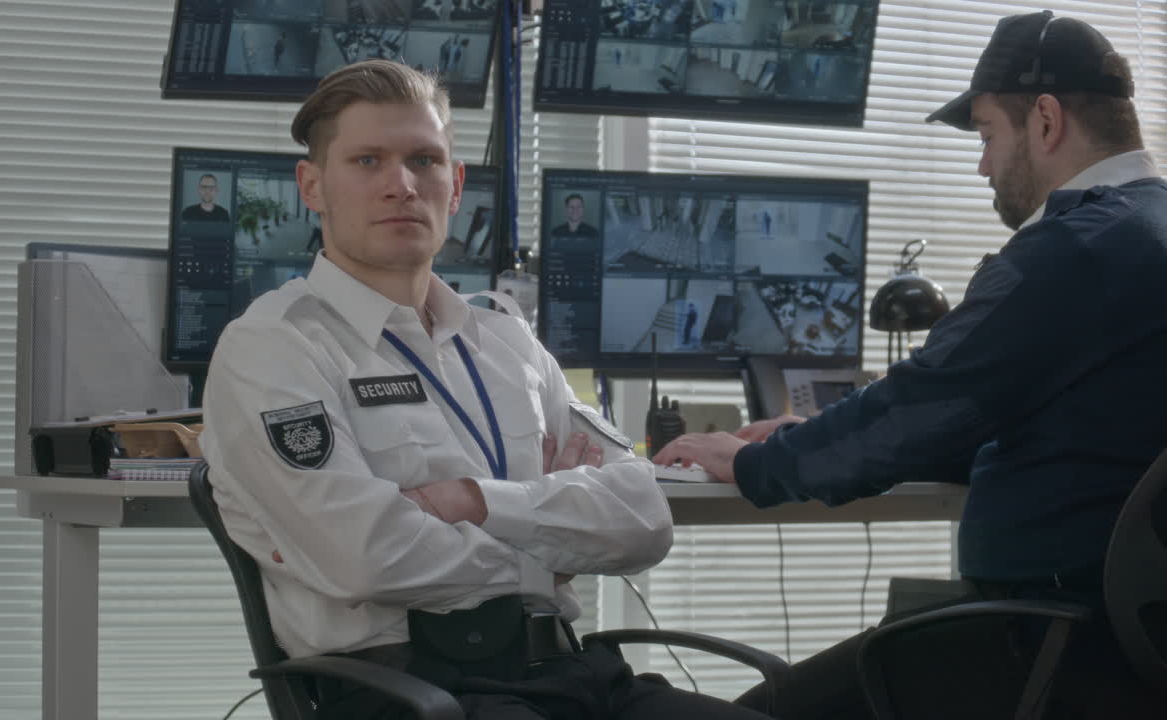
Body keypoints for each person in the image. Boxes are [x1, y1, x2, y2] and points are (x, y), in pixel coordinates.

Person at [199, 59, 772, 720]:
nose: (401, 185)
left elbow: (641, 519)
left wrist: (469, 501)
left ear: (456, 183)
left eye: (424, 160)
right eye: (366, 161)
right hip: (414, 694)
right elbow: (365, 556)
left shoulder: (507, 342)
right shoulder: (274, 348)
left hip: (571, 672)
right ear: (312, 185)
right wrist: (548, 555)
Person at [654, 11, 1166, 719]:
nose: (982, 163)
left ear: (1046, 120)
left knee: (757, 712)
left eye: (988, 135)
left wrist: (748, 465)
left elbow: (920, 407)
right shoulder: (1146, 236)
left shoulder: (1075, 248)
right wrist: (800, 435)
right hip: (1133, 646)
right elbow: (1087, 433)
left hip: (1044, 640)